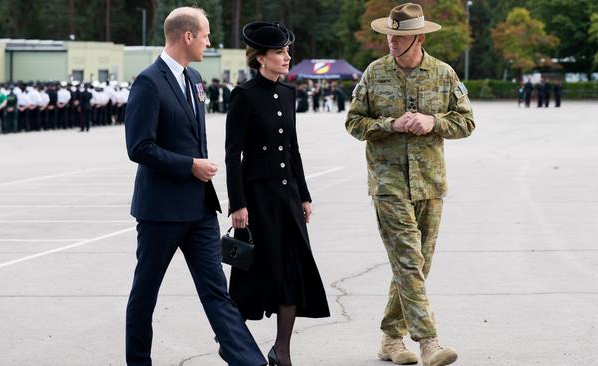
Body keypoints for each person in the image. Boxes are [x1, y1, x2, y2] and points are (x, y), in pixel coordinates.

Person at [123, 7, 266, 366]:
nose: (209, 41)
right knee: (145, 294)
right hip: (161, 211)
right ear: (187, 36)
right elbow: (139, 147)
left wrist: (197, 169)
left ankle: (251, 362)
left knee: (217, 292)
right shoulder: (148, 82)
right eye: (205, 35)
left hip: (200, 209)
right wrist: (190, 165)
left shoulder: (195, 78)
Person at [345, 3, 475, 366]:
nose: (390, 42)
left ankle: (390, 337)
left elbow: (466, 123)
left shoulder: (444, 74)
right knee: (407, 259)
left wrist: (434, 122)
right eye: (388, 35)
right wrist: (389, 125)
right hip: (388, 182)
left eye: (398, 37)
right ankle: (429, 341)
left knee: (416, 265)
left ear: (417, 37)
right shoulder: (374, 73)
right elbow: (354, 124)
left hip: (430, 183)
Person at [225, 21, 330, 366]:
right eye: (279, 52)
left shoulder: (288, 93)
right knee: (251, 275)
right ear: (260, 58)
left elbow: (293, 150)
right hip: (256, 201)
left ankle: (281, 350)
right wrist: (237, 203)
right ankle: (234, 344)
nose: (287, 57)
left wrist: (305, 196)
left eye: (287, 51)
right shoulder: (244, 95)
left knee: (293, 271)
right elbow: (232, 154)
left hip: (287, 199)